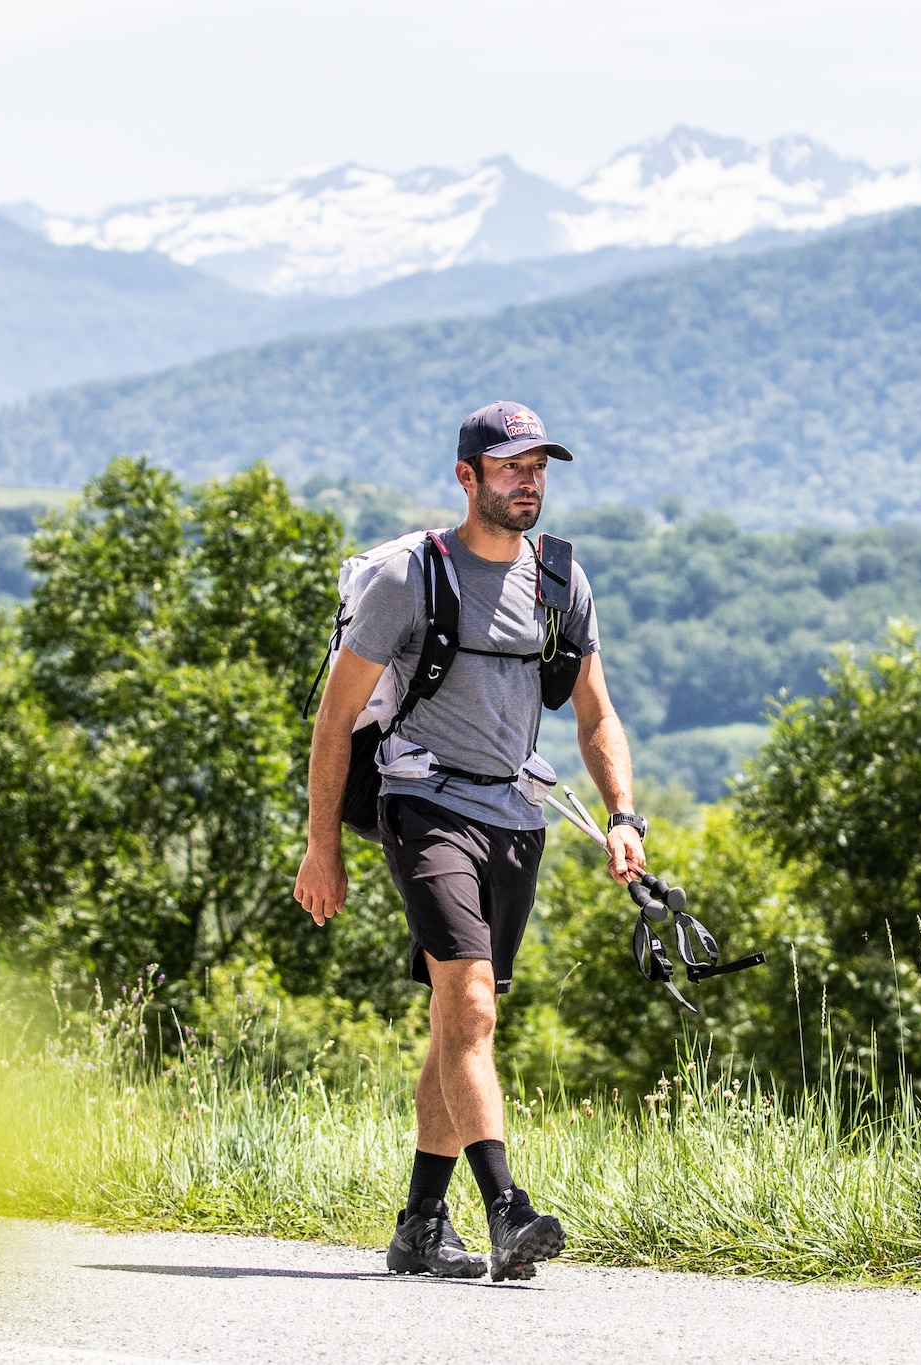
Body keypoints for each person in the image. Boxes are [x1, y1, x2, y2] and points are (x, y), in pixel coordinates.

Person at [293, 401, 649, 1282]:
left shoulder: (562, 580)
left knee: (459, 1021)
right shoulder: (410, 579)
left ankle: (419, 1223)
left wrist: (624, 817)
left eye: (539, 468)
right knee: (476, 1006)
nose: (529, 482)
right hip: (424, 804)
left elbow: (596, 712)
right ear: (468, 477)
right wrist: (322, 848)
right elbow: (335, 723)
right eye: (511, 467)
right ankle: (507, 1209)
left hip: (517, 817)